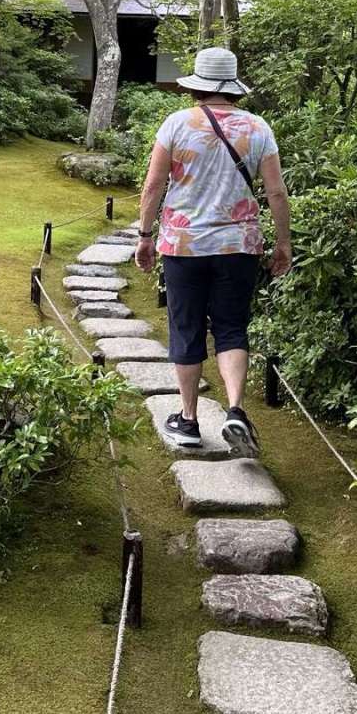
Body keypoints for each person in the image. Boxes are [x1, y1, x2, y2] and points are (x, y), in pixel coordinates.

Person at [134, 47, 292, 456]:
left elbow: (153, 186)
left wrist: (145, 234)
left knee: (186, 329)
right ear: (233, 87)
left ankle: (188, 421)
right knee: (231, 329)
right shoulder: (258, 128)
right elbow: (275, 191)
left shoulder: (177, 123)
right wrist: (283, 243)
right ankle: (236, 410)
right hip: (238, 246)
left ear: (198, 87)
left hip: (183, 246)